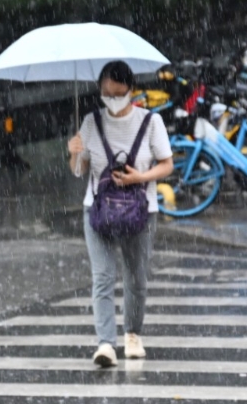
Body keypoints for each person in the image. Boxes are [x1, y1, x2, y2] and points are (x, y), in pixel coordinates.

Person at [67, 61, 174, 368]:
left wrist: (138, 179)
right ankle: (105, 344)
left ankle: (133, 334)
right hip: (98, 211)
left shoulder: (151, 121)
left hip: (140, 212)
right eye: (106, 93)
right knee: (102, 277)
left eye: (118, 93)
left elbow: (167, 164)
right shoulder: (90, 121)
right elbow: (78, 172)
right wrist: (74, 151)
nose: (112, 99)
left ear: (131, 91)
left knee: (136, 277)